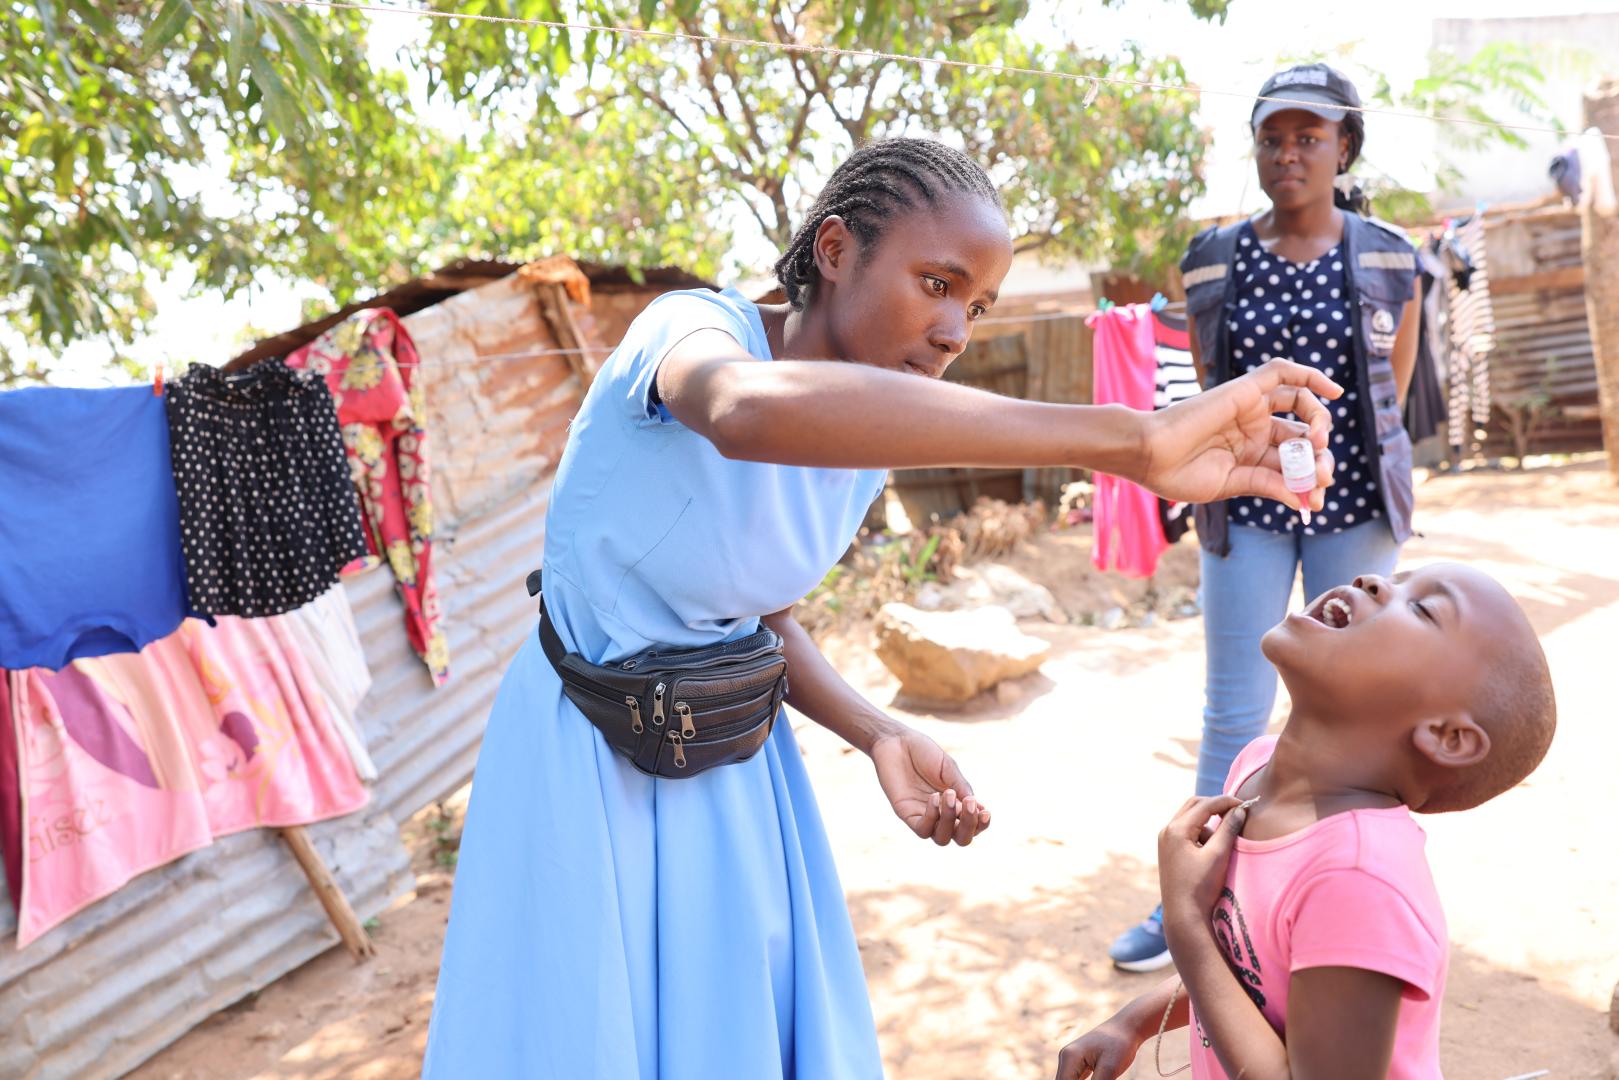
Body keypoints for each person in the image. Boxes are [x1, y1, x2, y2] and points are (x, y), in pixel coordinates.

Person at [422, 137, 1345, 1079]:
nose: (955, 331)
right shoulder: (693, 330)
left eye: (976, 306)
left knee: (718, 1036)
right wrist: (1130, 443)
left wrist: (876, 732)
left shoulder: (866, 438)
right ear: (833, 249)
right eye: (937, 283)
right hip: (586, 753)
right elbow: (740, 410)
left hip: (724, 765)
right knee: (584, 1033)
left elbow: (756, 614)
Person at [1109, 63, 1426, 972]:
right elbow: (1210, 392)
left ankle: (1340, 906)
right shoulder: (1212, 258)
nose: (1288, 153)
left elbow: (1387, 393)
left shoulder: (1389, 255)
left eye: (1309, 137)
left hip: (1353, 506)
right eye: (1272, 137)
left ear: (1343, 148)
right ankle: (1197, 906)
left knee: (1358, 706)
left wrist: (1328, 468)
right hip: (1244, 508)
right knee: (1234, 708)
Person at [1059, 563, 1556, 1079]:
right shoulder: (1256, 766)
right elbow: (1254, 969)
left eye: (1423, 608)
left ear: (1447, 736)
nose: (1374, 582)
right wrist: (1134, 1022)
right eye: (1398, 576)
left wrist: (1185, 922)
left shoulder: (1359, 881)